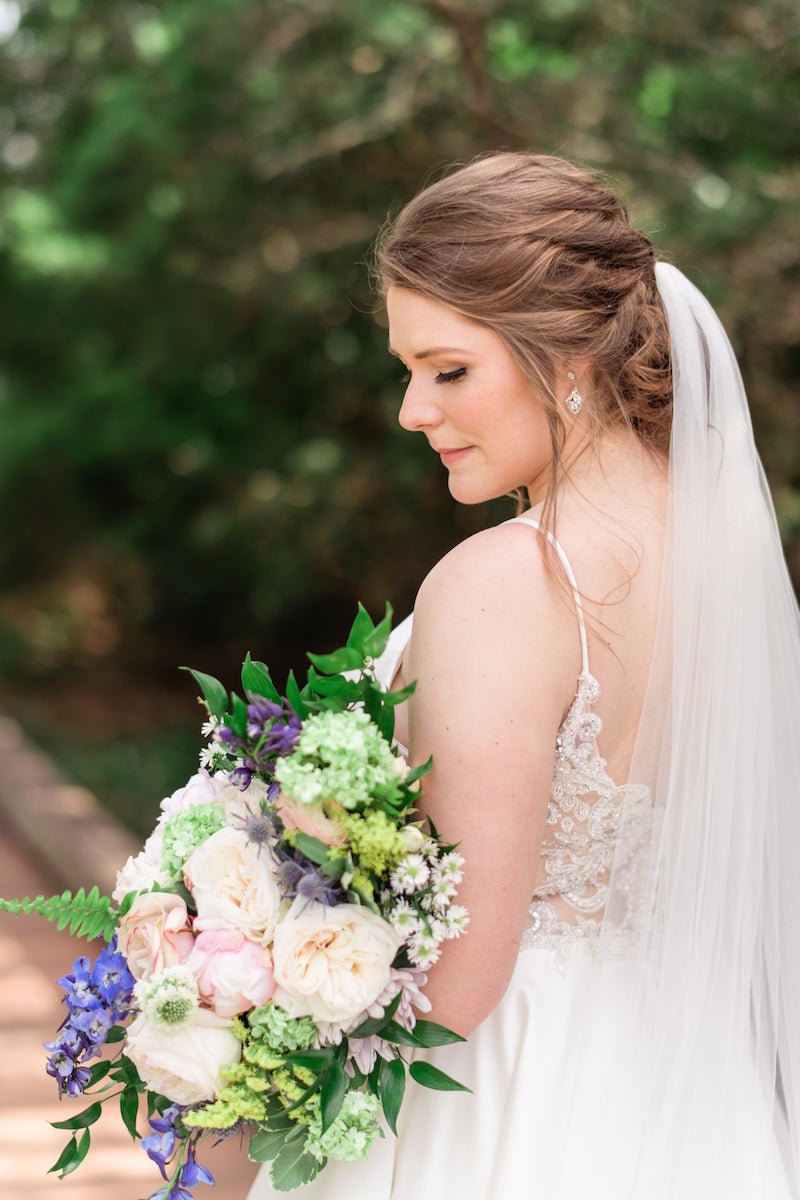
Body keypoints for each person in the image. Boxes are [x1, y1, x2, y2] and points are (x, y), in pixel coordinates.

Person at [248, 153, 800, 1198]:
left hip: (503, 1103)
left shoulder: (507, 579)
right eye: (405, 371)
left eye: (447, 369)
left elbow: (457, 983)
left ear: (564, 358)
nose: (413, 410)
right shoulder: (719, 557)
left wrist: (246, 990)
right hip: (679, 1095)